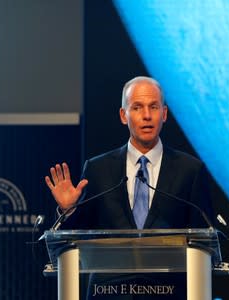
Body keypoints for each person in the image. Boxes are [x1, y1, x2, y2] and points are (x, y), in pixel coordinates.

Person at [45, 76, 214, 299]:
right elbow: (76, 239)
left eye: (153, 107)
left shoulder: (190, 170)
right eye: (137, 107)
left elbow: (205, 241)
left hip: (168, 293)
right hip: (108, 293)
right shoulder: (98, 169)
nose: (146, 115)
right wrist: (68, 211)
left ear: (164, 114)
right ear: (124, 116)